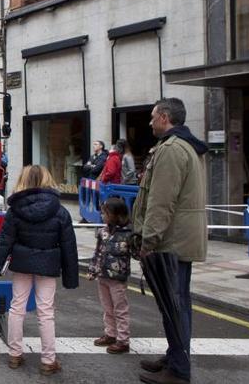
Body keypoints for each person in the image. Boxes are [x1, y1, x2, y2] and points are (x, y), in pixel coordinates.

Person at [132, 97, 207, 384]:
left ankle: (178, 370)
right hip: (179, 240)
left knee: (174, 305)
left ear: (164, 117)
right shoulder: (184, 146)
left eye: (152, 117)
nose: (150, 122)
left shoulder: (172, 149)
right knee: (175, 304)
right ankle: (176, 355)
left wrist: (148, 240)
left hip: (169, 242)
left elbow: (161, 202)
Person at [0, 165, 79, 376]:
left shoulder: (15, 210)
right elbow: (69, 246)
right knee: (46, 311)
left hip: (22, 263)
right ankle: (48, 360)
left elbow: (5, 241)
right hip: (48, 263)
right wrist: (70, 277)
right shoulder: (59, 210)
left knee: (17, 307)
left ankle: (14, 354)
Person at [88, 197, 133, 354]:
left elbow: (136, 253)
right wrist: (93, 270)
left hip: (118, 278)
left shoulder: (129, 233)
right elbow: (98, 253)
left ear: (116, 214)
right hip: (103, 276)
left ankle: (123, 340)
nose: (102, 216)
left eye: (105, 213)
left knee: (120, 309)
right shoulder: (103, 232)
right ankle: (110, 334)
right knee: (107, 308)